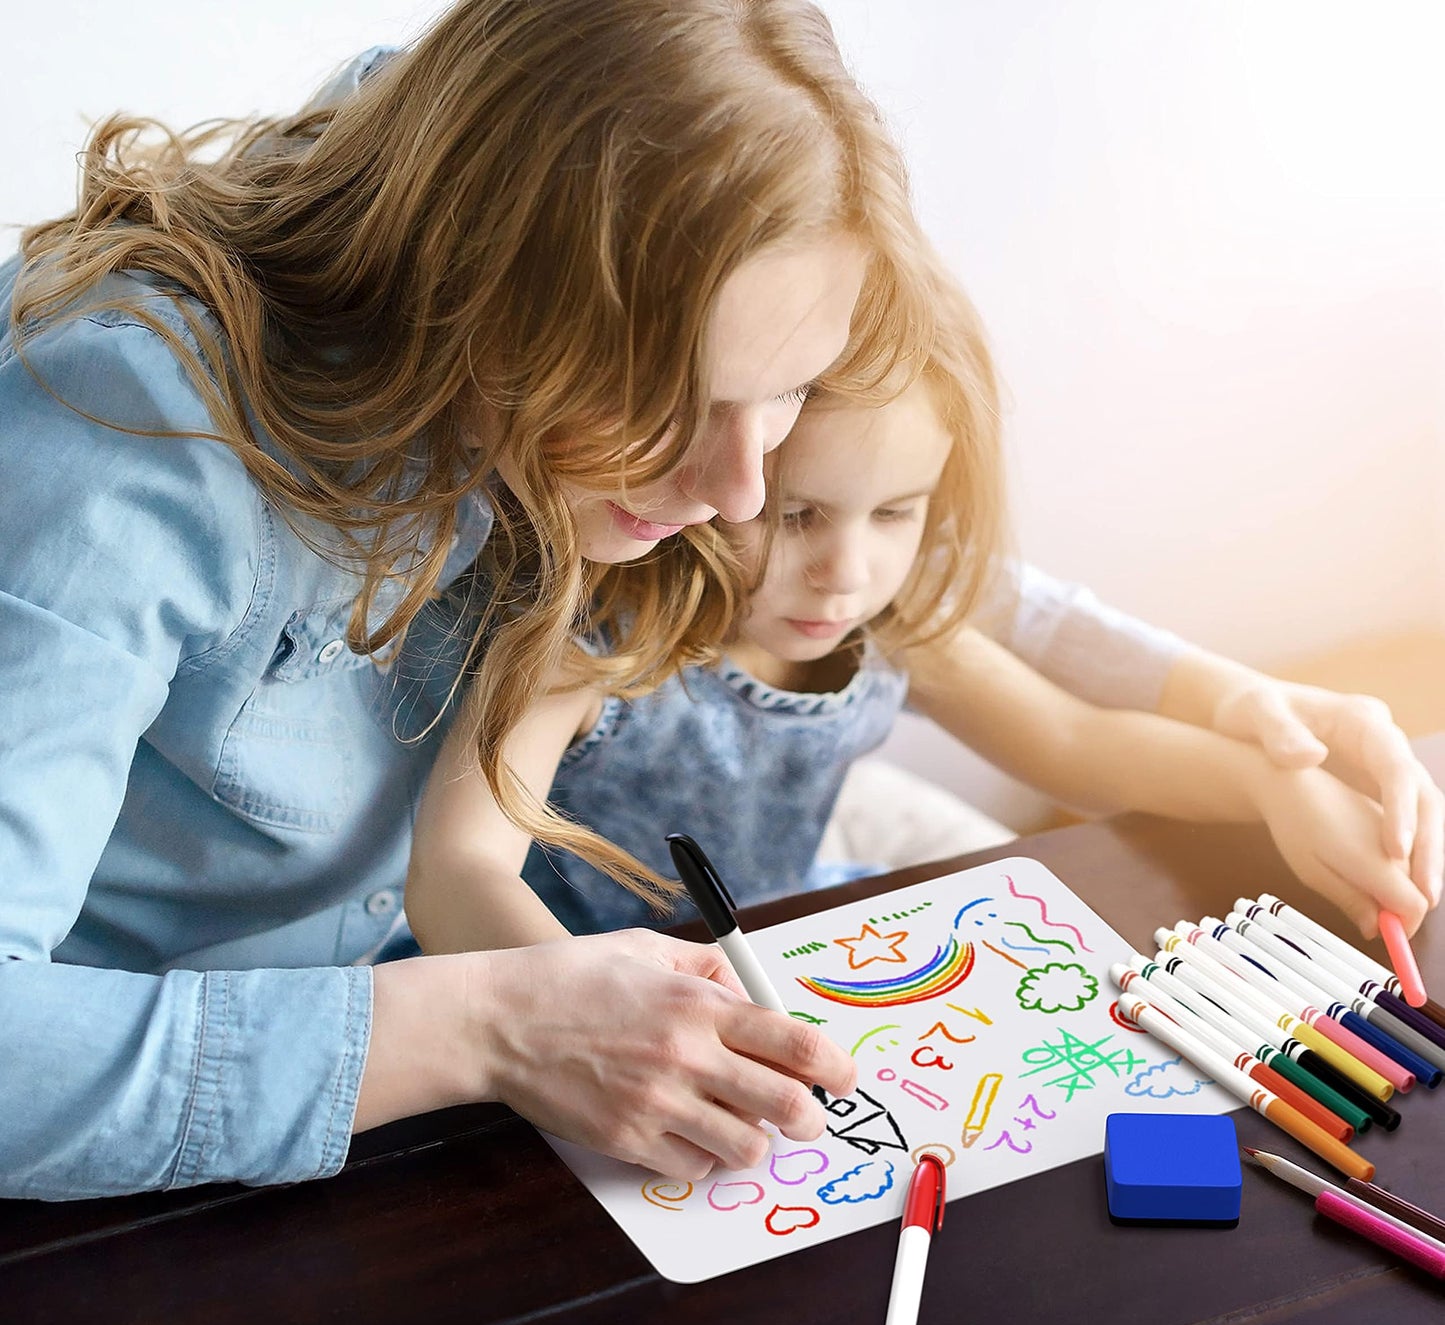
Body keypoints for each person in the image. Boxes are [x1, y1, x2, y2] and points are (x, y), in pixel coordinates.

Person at [0, 0, 1008, 1200]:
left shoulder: (537, 238)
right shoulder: (121, 433)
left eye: (785, 392)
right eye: (665, 396)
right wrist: (489, 1023)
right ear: (478, 291)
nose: (739, 494)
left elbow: (943, 563)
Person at [405, 279, 1442, 955]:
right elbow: (459, 875)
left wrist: (1275, 781)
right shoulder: (590, 646)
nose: (845, 572)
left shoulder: (889, 625)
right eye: (797, 513)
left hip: (780, 938)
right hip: (565, 982)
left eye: (895, 514)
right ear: (719, 465)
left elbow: (1080, 746)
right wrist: (585, 1010)